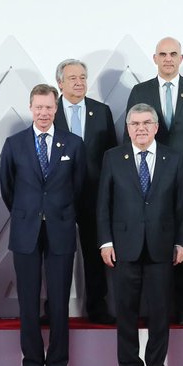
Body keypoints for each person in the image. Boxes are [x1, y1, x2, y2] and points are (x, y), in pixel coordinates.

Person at [96, 104, 183, 366]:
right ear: (127, 128)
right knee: (126, 310)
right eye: (135, 124)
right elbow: (103, 204)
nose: (141, 128)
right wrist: (105, 242)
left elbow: (182, 205)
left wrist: (181, 242)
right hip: (124, 246)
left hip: (162, 245)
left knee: (160, 311)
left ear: (156, 127)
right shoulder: (113, 157)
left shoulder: (174, 158)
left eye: (146, 123)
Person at [0, 84, 86, 366]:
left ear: (56, 109)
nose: (44, 113)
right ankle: (32, 365)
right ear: (30, 108)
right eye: (39, 107)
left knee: (60, 301)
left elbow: (79, 186)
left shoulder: (73, 144)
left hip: (61, 229)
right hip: (26, 231)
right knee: (28, 301)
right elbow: (8, 187)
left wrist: (60, 213)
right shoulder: (14, 144)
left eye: (49, 107)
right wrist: (28, 213)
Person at [125, 37, 183, 325]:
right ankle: (151, 309)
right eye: (162, 54)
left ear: (181, 58)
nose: (168, 59)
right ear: (154, 58)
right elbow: (129, 136)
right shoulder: (140, 91)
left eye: (173, 54)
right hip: (148, 181)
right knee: (151, 244)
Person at [54, 59, 118, 324]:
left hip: (94, 194)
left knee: (95, 252)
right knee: (58, 254)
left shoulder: (101, 111)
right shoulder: (50, 111)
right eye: (72, 78)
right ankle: (54, 308)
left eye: (82, 77)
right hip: (59, 196)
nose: (79, 82)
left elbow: (112, 155)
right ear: (60, 83)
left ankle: (97, 306)